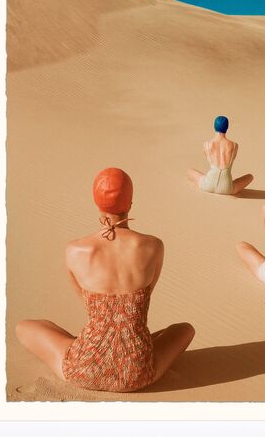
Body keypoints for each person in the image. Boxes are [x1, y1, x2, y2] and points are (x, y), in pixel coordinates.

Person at [15, 167, 195, 392]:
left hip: (84, 366)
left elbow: (90, 308)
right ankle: (131, 346)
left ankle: (94, 347)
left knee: (25, 327)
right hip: (137, 371)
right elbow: (143, 300)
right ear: (130, 203)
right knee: (185, 330)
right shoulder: (154, 246)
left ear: (97, 204)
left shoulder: (74, 251)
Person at [187, 115, 254, 195]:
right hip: (227, 188)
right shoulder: (234, 145)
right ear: (227, 127)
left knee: (190, 171)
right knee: (250, 177)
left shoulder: (206, 144)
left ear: (214, 126)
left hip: (208, 185)